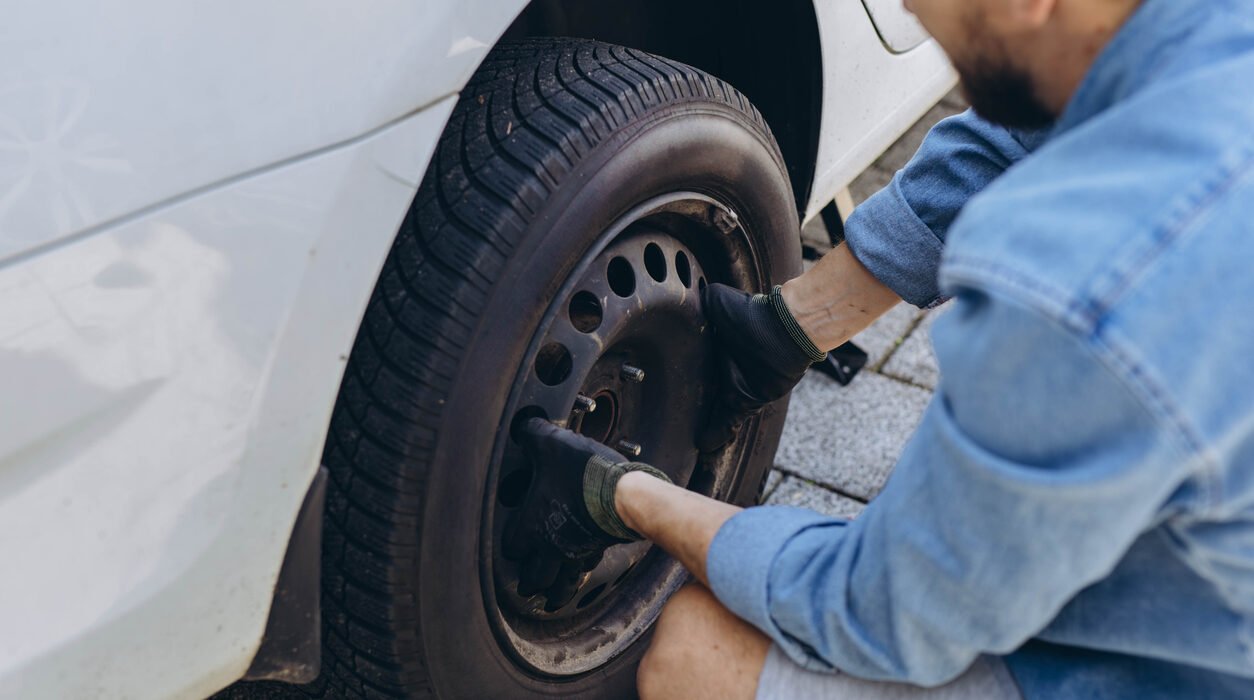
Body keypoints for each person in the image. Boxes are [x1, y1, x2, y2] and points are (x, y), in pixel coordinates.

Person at [507, 0, 1254, 697]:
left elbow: (879, 616)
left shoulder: (1086, 286)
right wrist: (785, 331)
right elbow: (1011, 135)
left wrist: (625, 493)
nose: (904, 11)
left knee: (694, 652)